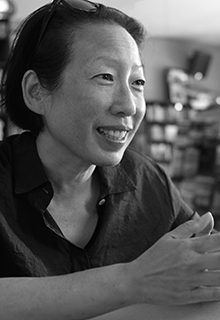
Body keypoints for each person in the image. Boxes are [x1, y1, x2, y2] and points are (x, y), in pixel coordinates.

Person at [0, 0, 220, 319]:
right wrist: (129, 282)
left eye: (138, 83)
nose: (129, 106)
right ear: (36, 92)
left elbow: (201, 265)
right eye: (105, 76)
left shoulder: (147, 180)